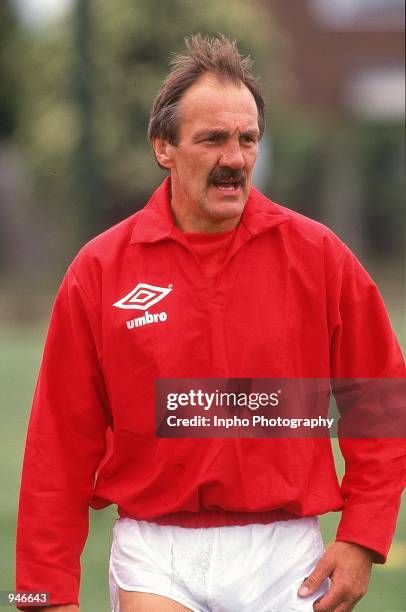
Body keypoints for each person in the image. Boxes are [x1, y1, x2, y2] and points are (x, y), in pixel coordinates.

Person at [16, 34, 405, 612]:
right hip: (155, 550)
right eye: (213, 139)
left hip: (286, 554)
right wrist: (41, 594)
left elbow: (381, 400)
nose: (235, 158)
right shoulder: (99, 270)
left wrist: (362, 535)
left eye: (248, 139)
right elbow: (58, 439)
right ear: (164, 147)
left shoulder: (318, 256)